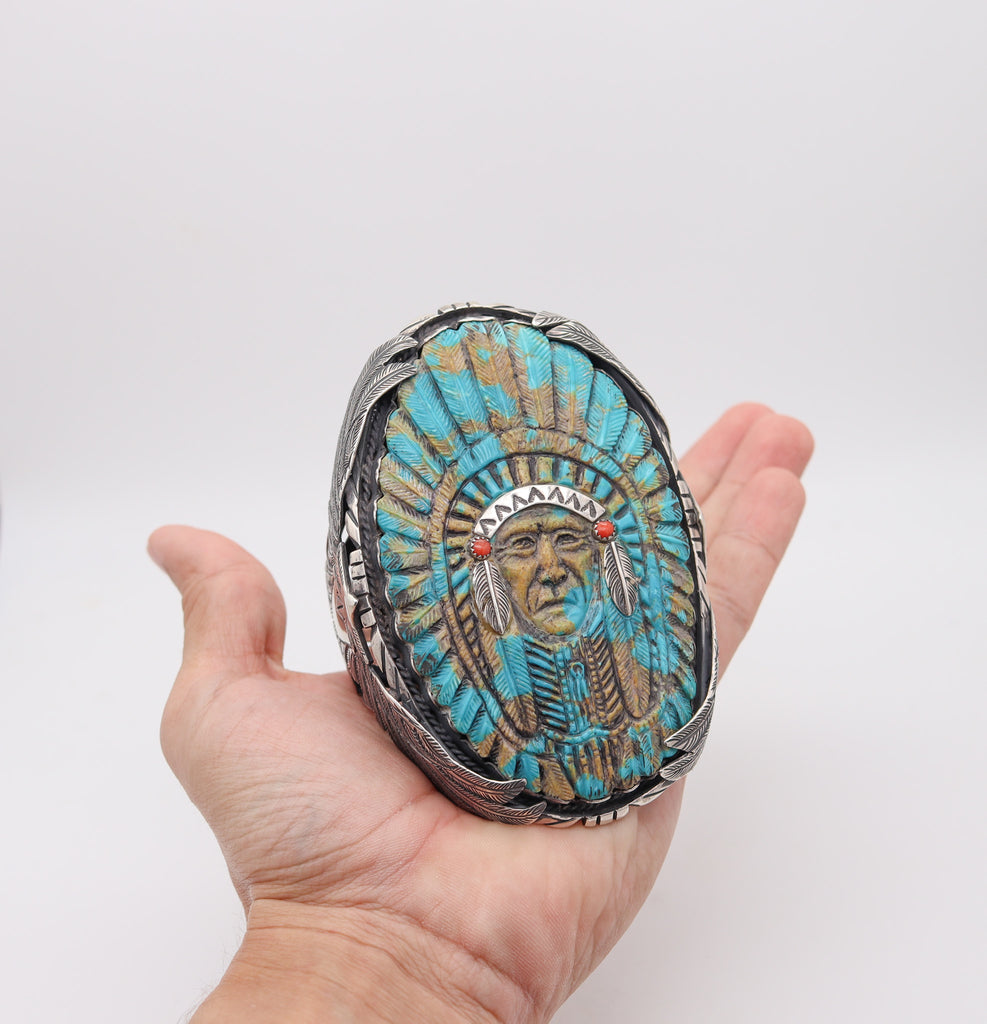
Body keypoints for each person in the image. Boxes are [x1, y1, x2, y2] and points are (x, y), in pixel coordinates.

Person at [149, 403, 812, 1022]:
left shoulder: (645, 692)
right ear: (485, 568)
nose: (551, 568)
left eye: (568, 539)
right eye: (522, 547)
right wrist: (361, 934)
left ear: (603, 549)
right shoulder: (481, 705)